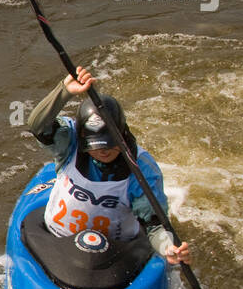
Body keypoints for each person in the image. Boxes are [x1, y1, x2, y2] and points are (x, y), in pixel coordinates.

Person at [27, 66, 192, 265]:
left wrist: (168, 248)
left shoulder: (142, 169)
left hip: (114, 251)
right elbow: (37, 126)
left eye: (110, 144)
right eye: (94, 147)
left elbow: (155, 226)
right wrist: (64, 91)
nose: (103, 151)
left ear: (122, 136)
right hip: (56, 238)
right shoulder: (70, 141)